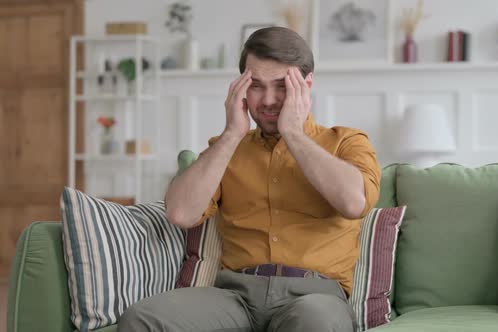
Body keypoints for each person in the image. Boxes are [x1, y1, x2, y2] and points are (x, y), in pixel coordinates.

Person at [119, 27, 381, 332]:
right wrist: (232, 133)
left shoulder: (347, 142)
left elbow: (354, 202)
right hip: (234, 296)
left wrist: (293, 132)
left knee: (315, 323)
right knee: (143, 318)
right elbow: (180, 213)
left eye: (282, 85)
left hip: (314, 298)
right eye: (256, 85)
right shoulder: (225, 148)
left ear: (307, 85)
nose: (268, 100)